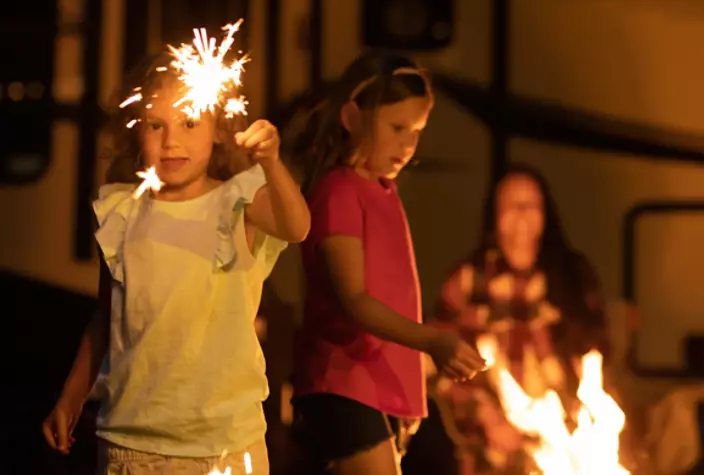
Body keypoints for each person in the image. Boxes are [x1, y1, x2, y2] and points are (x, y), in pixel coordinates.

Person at [41, 52, 311, 474]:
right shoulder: (121, 212)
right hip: (130, 442)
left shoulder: (239, 200)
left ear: (219, 131)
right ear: (136, 131)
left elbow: (297, 227)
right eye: (155, 125)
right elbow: (106, 315)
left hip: (222, 442)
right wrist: (71, 397)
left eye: (189, 122)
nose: (171, 141)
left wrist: (272, 163)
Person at [286, 52, 486, 475]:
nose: (409, 144)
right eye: (397, 128)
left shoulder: (382, 191)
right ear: (352, 118)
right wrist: (432, 342)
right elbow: (355, 300)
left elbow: (394, 295)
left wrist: (408, 385)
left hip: (374, 387)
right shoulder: (338, 192)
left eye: (417, 131)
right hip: (342, 382)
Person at [432, 165, 610, 475]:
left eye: (531, 204)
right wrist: (486, 416)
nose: (522, 213)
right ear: (495, 215)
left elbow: (596, 351)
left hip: (567, 443)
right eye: (512, 205)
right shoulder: (467, 281)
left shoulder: (570, 276)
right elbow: (437, 359)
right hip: (488, 450)